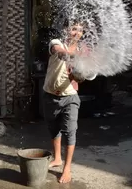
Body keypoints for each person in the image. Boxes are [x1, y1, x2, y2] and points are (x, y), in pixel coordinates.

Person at [42, 20, 92, 184]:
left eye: (80, 30)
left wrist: (78, 74)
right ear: (66, 30)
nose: (77, 33)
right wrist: (75, 56)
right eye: (73, 29)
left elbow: (83, 77)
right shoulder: (57, 42)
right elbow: (60, 52)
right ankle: (57, 158)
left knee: (70, 131)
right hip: (50, 95)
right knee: (53, 128)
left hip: (70, 97)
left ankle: (67, 168)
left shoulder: (83, 51)